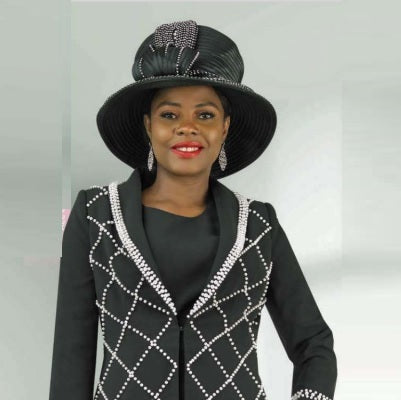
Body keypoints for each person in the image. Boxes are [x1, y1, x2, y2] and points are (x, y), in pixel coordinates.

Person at [49, 20, 337, 400]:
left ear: (225, 127)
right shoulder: (95, 216)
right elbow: (71, 355)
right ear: (148, 125)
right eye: (169, 115)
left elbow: (314, 343)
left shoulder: (258, 226)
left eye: (205, 115)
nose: (187, 128)